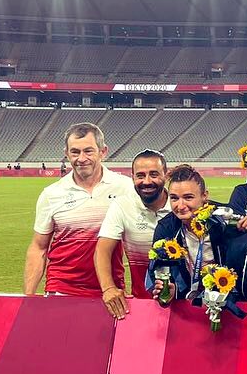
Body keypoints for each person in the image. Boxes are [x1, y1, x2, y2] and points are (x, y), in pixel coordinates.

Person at [24, 123, 135, 296]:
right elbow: (39, 246)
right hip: (62, 287)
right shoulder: (52, 194)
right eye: (75, 152)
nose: (81, 158)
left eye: (88, 151)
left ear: (103, 152)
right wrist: (28, 296)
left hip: (110, 289)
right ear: (66, 154)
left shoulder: (125, 188)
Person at [95, 149, 171, 318]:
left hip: (182, 303)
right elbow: (102, 250)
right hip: (142, 303)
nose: (147, 181)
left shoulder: (179, 206)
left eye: (154, 174)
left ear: (166, 174)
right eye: (140, 175)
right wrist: (108, 288)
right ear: (132, 177)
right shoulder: (122, 205)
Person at [149, 164, 235, 300]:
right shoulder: (166, 228)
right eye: (174, 198)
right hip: (186, 301)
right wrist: (170, 290)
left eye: (188, 197)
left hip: (226, 300)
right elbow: (158, 270)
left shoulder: (224, 222)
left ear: (204, 196)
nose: (181, 206)